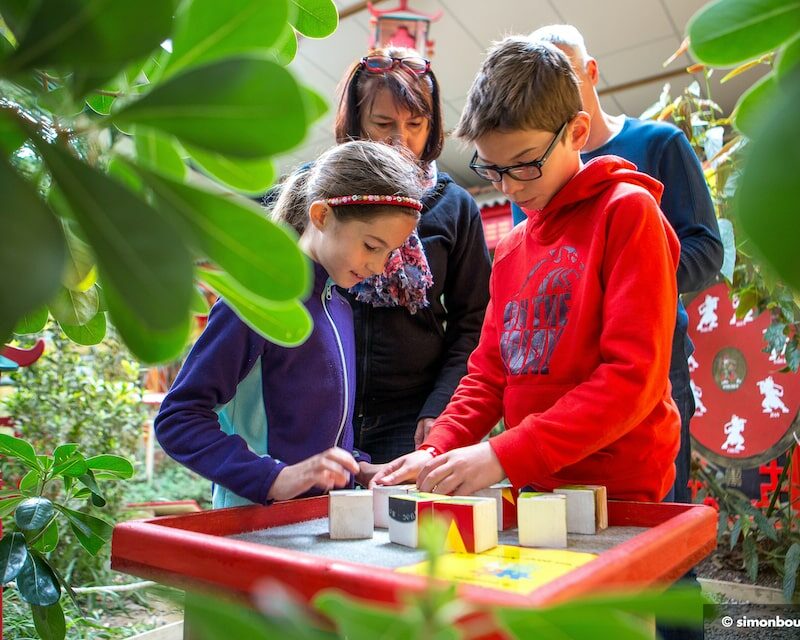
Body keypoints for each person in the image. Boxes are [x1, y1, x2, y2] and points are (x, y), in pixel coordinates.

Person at [372, 37, 681, 504]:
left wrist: (501, 455)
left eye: (525, 164)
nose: (511, 187)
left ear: (577, 132)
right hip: (534, 483)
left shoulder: (627, 213)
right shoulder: (514, 245)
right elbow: (489, 371)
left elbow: (632, 378)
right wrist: (439, 447)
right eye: (494, 170)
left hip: (619, 489)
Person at [512, 25, 723, 504]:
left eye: (562, 74)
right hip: (558, 377)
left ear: (590, 71)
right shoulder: (525, 173)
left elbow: (707, 250)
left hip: (650, 361)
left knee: (658, 515)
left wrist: (624, 277)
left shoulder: (659, 145)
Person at [155, 140, 425, 508]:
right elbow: (178, 419)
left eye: (389, 252)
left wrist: (359, 468)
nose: (379, 267)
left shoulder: (340, 306)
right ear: (321, 216)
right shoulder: (258, 298)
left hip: (320, 523)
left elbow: (317, 434)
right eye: (372, 246)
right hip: (255, 525)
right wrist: (274, 478)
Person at [332, 47, 491, 463]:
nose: (400, 142)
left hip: (412, 417)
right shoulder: (321, 193)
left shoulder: (454, 207)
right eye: (383, 123)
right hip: (324, 410)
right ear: (355, 124)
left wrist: (441, 405)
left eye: (415, 125)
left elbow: (473, 321)